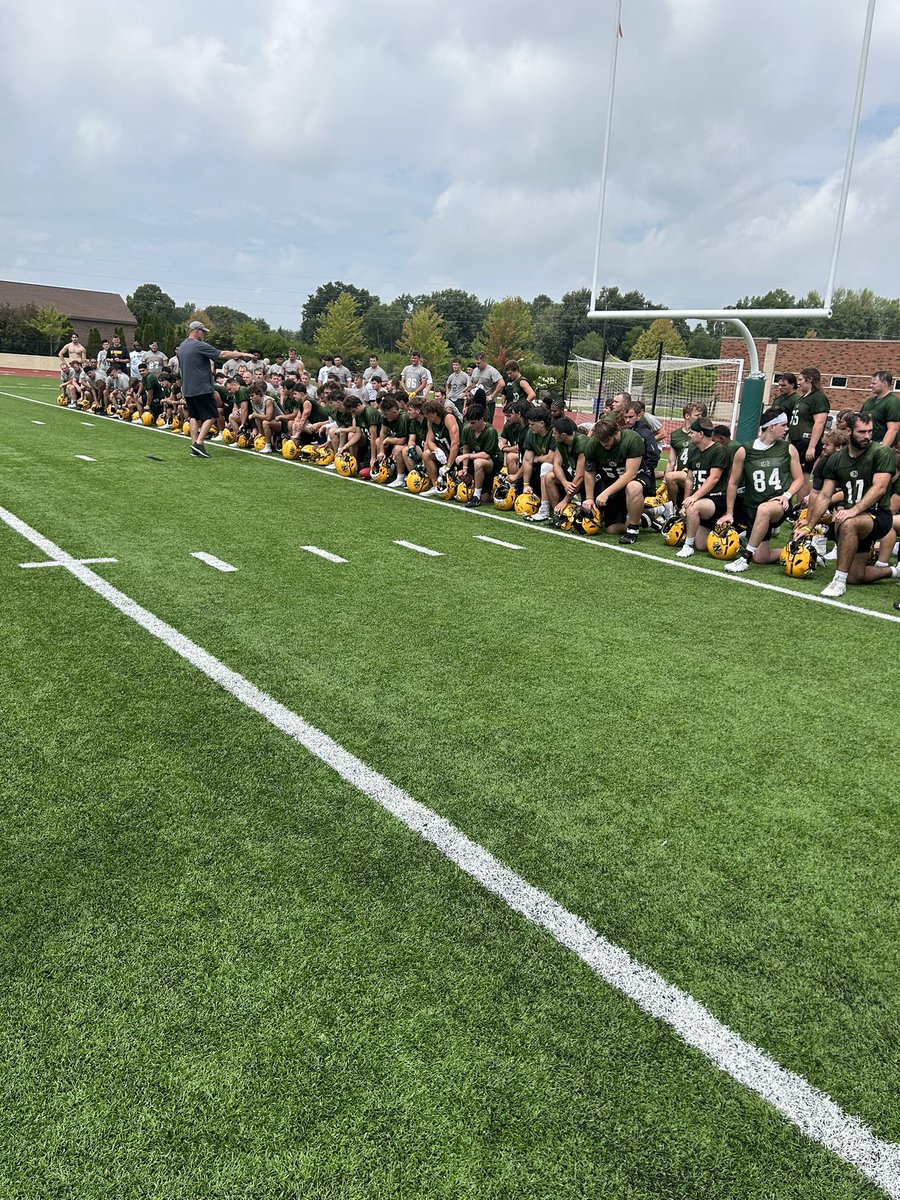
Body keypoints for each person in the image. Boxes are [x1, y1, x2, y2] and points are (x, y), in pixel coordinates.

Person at [799, 412, 899, 599]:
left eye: (870, 431)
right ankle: (895, 571)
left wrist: (853, 510)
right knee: (856, 575)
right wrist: (809, 525)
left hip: (878, 515)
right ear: (850, 432)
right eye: (861, 432)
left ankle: (838, 580)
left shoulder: (881, 452)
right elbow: (825, 495)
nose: (867, 436)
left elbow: (880, 488)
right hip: (855, 516)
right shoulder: (836, 459)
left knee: (847, 522)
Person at [722, 410, 804, 573]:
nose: (786, 429)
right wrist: (729, 512)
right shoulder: (745, 451)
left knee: (764, 509)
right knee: (761, 557)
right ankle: (801, 551)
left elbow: (799, 479)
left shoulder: (788, 448)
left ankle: (745, 557)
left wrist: (786, 495)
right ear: (771, 427)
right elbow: (733, 482)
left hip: (778, 505)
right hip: (753, 506)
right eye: (783, 425)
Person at [175, 320, 248, 457]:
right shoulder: (198, 345)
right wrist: (243, 354)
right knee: (213, 414)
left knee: (194, 417)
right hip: (201, 387)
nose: (203, 335)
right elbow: (222, 354)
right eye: (203, 332)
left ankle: (194, 444)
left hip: (188, 388)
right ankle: (199, 443)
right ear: (197, 330)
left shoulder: (182, 347)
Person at [582, 415, 647, 543]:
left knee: (633, 486)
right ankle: (645, 518)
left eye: (607, 440)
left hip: (637, 478)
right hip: (612, 482)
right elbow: (589, 472)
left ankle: (633, 529)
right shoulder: (593, 444)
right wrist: (589, 498)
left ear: (616, 433)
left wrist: (605, 493)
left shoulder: (632, 439)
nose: (604, 444)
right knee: (611, 529)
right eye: (601, 440)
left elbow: (630, 474)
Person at [674, 419, 730, 558]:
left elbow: (714, 478)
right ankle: (727, 532)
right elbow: (689, 480)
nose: (689, 435)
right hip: (701, 499)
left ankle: (688, 546)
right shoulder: (694, 450)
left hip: (716, 498)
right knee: (702, 545)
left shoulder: (719, 450)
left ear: (700, 434)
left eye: (692, 432)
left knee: (693, 508)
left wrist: (694, 498)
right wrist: (685, 502)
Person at [457, 403, 502, 507]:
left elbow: (486, 455)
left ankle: (477, 496)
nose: (471, 425)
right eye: (469, 422)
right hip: (476, 459)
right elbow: (466, 448)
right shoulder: (467, 429)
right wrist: (464, 468)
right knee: (464, 477)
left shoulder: (491, 431)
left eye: (473, 423)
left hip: (493, 460)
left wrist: (467, 456)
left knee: (478, 462)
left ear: (481, 419)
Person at [860, 370, 900, 447]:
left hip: (879, 446)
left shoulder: (892, 402)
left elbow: (893, 429)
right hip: (865, 445)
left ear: (884, 383)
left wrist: (881, 449)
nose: (871, 385)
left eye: (874, 383)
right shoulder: (869, 401)